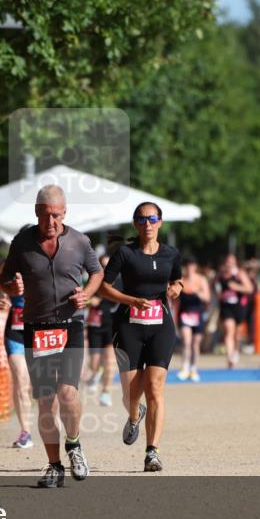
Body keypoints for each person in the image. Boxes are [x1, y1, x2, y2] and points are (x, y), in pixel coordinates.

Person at [0, 185, 103, 488]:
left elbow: (96, 273)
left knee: (67, 393)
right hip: (37, 327)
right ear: (36, 213)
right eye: (46, 215)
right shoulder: (22, 243)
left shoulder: (79, 241)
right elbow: (3, 278)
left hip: (70, 324)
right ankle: (54, 465)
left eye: (57, 215)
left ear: (65, 213)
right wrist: (10, 288)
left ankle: (74, 444)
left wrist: (88, 293)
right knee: (45, 400)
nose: (52, 221)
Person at [97, 202, 182, 472]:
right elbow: (103, 288)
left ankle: (152, 451)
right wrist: (132, 300)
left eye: (152, 219)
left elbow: (178, 280)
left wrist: (177, 287)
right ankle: (135, 415)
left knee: (155, 388)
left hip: (161, 325)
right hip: (129, 326)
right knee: (132, 394)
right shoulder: (125, 253)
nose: (148, 224)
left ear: (160, 222)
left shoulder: (171, 254)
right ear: (135, 223)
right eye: (142, 219)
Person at [0, 246, 34, 449]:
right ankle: (25, 431)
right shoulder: (7, 267)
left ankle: (50, 421)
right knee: (20, 379)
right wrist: (2, 300)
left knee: (41, 385)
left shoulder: (47, 264)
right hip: (16, 331)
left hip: (41, 332)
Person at [84, 254, 116, 407]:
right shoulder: (92, 281)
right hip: (95, 325)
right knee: (95, 362)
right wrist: (91, 301)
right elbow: (82, 299)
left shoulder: (118, 281)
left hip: (111, 325)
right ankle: (96, 374)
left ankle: (105, 392)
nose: (105, 269)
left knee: (109, 361)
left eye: (108, 265)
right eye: (102, 265)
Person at [216, 254, 254, 368]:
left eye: (232, 262)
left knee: (237, 335)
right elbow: (217, 289)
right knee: (229, 331)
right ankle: (230, 357)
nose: (229, 264)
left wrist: (236, 287)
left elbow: (250, 288)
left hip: (239, 307)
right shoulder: (221, 275)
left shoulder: (239, 274)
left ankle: (235, 351)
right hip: (226, 307)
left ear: (235, 263)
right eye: (228, 262)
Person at [176, 257, 210, 381]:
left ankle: (194, 368)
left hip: (197, 314)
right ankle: (184, 367)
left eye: (192, 265)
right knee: (186, 341)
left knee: (196, 343)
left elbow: (207, 298)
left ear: (195, 267)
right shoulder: (181, 280)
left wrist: (197, 292)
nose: (189, 268)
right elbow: (174, 297)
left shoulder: (202, 280)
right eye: (187, 265)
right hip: (184, 314)